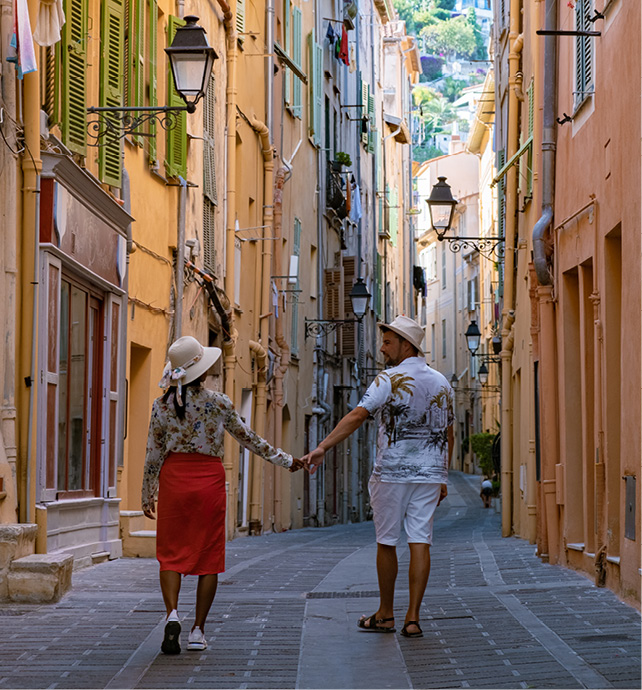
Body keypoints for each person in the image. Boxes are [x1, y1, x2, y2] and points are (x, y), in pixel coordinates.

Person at [142, 336, 302, 655]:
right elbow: (249, 439)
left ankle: (172, 613)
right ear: (202, 372)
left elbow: (153, 454)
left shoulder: (160, 407)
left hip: (175, 480)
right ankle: (197, 631)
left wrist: (147, 493)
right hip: (208, 482)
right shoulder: (220, 402)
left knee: (170, 554)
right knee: (209, 558)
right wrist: (286, 460)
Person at [301, 315, 454, 639]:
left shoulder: (389, 379)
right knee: (420, 540)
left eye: (387, 342)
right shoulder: (442, 382)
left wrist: (323, 447)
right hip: (429, 473)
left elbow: (358, 414)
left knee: (387, 541)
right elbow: (448, 431)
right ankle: (412, 618)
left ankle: (386, 614)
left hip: (392, 472)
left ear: (406, 344)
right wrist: (443, 475)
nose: (382, 349)